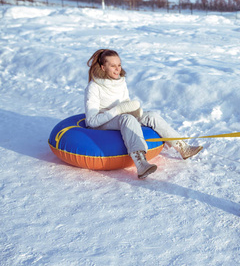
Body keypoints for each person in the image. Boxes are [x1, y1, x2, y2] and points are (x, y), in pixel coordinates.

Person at [85, 49, 202, 179]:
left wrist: (134, 110)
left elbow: (125, 104)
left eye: (119, 65)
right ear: (103, 67)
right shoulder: (93, 87)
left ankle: (182, 147)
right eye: (113, 66)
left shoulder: (120, 82)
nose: (117, 69)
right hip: (102, 123)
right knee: (127, 119)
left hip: (121, 117)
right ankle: (140, 163)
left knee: (151, 116)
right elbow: (91, 121)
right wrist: (118, 110)